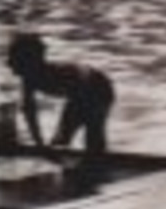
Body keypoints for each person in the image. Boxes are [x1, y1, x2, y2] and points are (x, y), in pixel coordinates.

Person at [7, 33, 114, 162]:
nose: (9, 63)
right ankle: (83, 160)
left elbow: (79, 97)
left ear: (28, 61)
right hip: (81, 90)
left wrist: (72, 124)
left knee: (92, 133)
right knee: (61, 140)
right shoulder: (28, 79)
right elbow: (29, 112)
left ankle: (95, 165)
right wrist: (39, 144)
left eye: (13, 58)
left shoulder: (52, 73)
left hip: (98, 87)